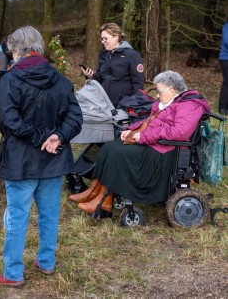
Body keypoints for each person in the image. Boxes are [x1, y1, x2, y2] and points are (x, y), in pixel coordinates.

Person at [0, 26, 83, 287]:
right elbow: (75, 117)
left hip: (22, 159)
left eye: (11, 50)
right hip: (51, 158)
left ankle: (13, 273)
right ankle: (46, 261)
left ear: (16, 50)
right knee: (48, 213)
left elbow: (7, 121)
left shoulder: (10, 80)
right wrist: (55, 137)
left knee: (18, 215)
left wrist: (50, 137)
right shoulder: (61, 79)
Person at [69, 71, 210, 218]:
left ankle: (104, 200)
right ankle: (95, 191)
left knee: (117, 153)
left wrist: (141, 136)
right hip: (156, 144)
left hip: (166, 151)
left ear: (172, 90)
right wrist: (130, 130)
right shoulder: (168, 102)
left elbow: (179, 133)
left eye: (160, 91)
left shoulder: (189, 106)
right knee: (109, 147)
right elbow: (149, 121)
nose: (157, 95)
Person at [81, 23, 144, 107]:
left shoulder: (131, 55)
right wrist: (91, 75)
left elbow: (139, 83)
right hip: (103, 105)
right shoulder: (104, 55)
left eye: (106, 38)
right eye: (102, 39)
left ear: (116, 37)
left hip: (123, 106)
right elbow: (100, 78)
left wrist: (133, 104)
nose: (103, 42)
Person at [218, 19, 228, 115]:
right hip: (226, 58)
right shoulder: (226, 26)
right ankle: (222, 107)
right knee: (227, 82)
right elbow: (226, 41)